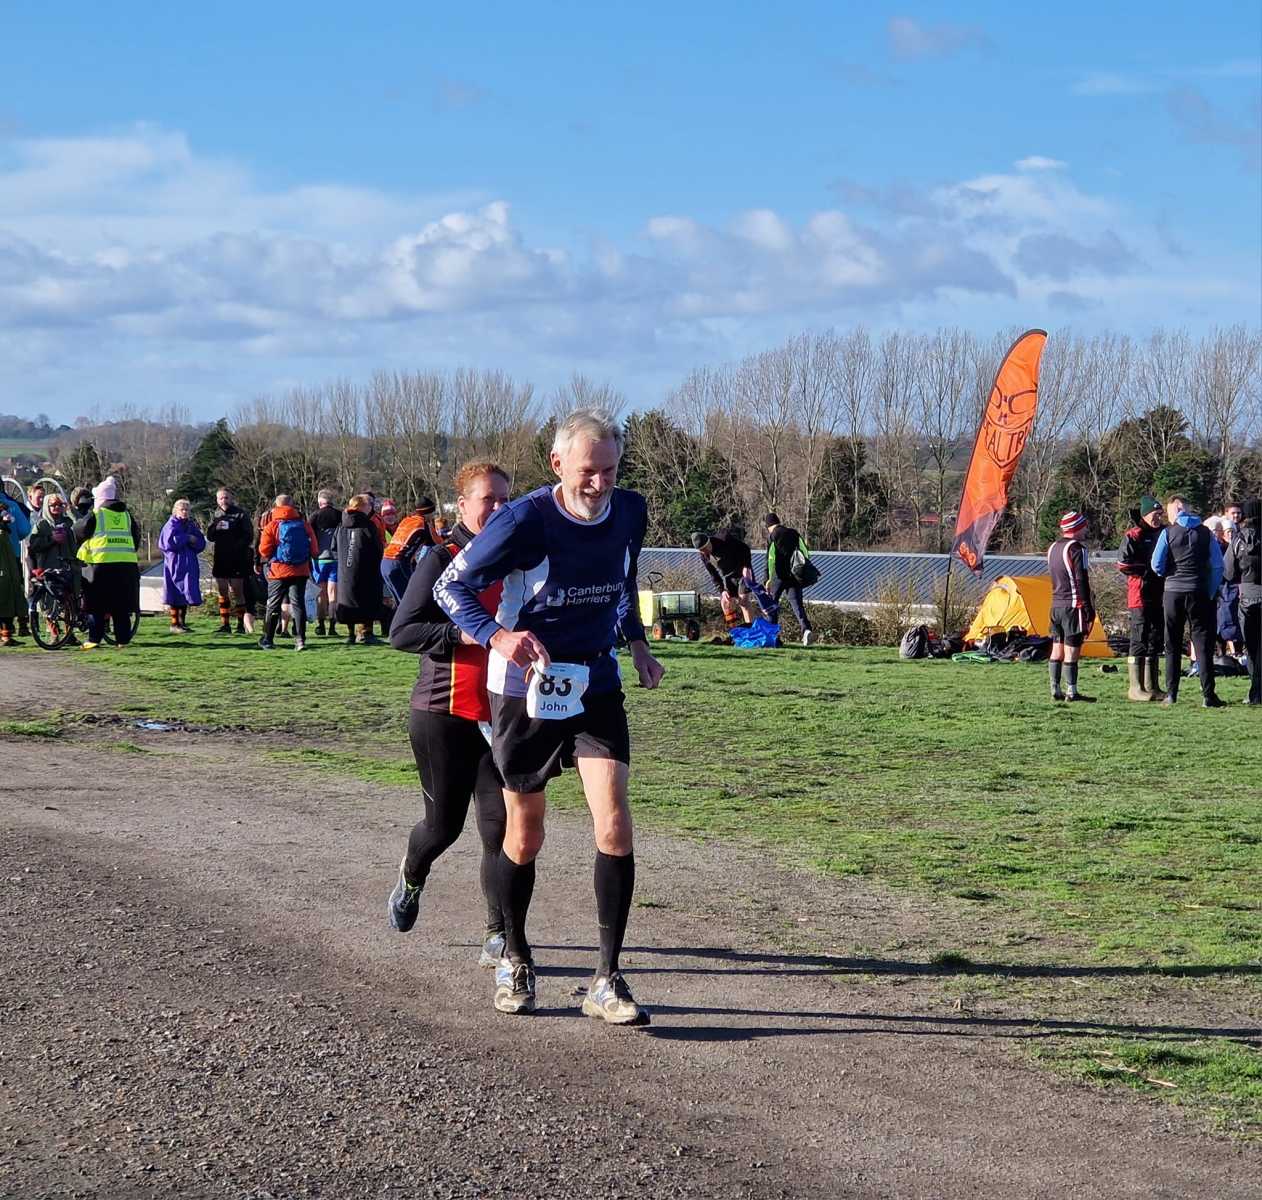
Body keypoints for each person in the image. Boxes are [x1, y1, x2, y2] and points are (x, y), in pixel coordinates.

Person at [437, 408, 664, 1025]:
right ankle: (514, 953)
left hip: (594, 678)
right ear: (558, 464)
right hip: (525, 684)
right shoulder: (523, 520)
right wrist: (498, 636)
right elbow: (449, 589)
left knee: (614, 822)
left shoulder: (631, 511)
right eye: (588, 471)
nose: (600, 484)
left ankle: (607, 980)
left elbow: (623, 581)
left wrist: (637, 643)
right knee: (525, 833)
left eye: (611, 470)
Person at [387, 462, 512, 964]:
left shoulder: (516, 559)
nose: (500, 508)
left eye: (507, 499)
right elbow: (403, 631)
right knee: (443, 828)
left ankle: (497, 933)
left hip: (500, 717)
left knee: (501, 829)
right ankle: (412, 875)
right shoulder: (443, 558)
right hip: (442, 711)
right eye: (489, 500)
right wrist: (459, 633)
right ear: (462, 505)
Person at [1151, 495, 1225, 707]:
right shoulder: (1206, 533)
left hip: (1173, 592)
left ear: (1177, 509)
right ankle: (1208, 695)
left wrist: (1169, 575)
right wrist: (1210, 590)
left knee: (1172, 643)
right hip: (1199, 591)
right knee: (1202, 644)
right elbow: (1218, 566)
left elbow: (1156, 565)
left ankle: (1172, 694)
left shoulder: (1168, 532)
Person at [74, 476, 141, 650]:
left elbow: (78, 531)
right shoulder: (127, 516)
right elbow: (136, 539)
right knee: (121, 607)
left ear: (101, 500)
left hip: (100, 567)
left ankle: (94, 639)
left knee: (95, 605)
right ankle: (123, 641)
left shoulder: (96, 515)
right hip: (127, 567)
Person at [1116, 495, 1166, 701]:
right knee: (1139, 637)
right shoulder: (1134, 535)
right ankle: (1135, 688)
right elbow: (1123, 564)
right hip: (1139, 595)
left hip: (1160, 594)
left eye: (1160, 514)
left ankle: (1152, 685)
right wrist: (1148, 571)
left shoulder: (1163, 533)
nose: (1158, 518)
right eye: (1155, 514)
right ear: (1145, 515)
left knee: (1156, 638)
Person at [1046, 510, 1096, 702]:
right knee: (1072, 649)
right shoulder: (1077, 549)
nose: (1086, 530)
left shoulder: (1052, 548)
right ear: (1076, 528)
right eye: (1083, 526)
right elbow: (1081, 578)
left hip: (1056, 604)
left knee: (1056, 648)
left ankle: (1054, 689)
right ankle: (1072, 692)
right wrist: (1089, 608)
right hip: (1073, 604)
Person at [257, 494, 318, 651]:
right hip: (301, 570)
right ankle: (300, 640)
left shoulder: (272, 525)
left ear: (276, 506)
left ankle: (268, 639)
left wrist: (273, 558)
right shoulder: (304, 524)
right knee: (298, 604)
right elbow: (315, 549)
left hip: (278, 571)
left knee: (273, 604)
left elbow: (263, 549)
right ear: (292, 506)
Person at [27, 492, 80, 643]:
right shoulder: (41, 525)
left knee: (69, 601)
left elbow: (80, 529)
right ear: (47, 507)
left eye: (59, 505)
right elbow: (33, 546)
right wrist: (51, 539)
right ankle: (54, 634)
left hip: (67, 567)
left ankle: (70, 634)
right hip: (48, 569)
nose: (56, 508)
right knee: (48, 603)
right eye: (53, 505)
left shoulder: (69, 523)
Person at [334, 494, 385, 644]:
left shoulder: (341, 525)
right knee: (367, 598)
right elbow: (377, 548)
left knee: (348, 598)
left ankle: (350, 633)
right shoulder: (368, 525)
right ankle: (365, 633)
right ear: (362, 507)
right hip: (366, 569)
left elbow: (334, 547)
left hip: (345, 570)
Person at [1224, 499, 1261, 706]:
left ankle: (1255, 691)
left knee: (1251, 646)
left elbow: (1228, 572)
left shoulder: (1238, 540)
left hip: (1247, 596)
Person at [206, 487, 255, 635]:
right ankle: (225, 624)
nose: (224, 500)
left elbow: (249, 536)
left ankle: (240, 625)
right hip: (220, 558)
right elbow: (210, 536)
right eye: (221, 498)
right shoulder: (216, 515)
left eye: (226, 497)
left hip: (237, 558)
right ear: (217, 500)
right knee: (222, 590)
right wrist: (215, 527)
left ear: (231, 498)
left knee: (237, 590)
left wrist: (235, 545)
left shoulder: (241, 514)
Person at [763, 512, 815, 646]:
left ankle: (772, 637)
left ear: (768, 526)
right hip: (794, 576)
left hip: (779, 576)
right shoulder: (794, 533)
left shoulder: (773, 535)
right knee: (797, 605)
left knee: (771, 605)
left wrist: (768, 579)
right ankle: (806, 630)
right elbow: (805, 552)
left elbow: (770, 558)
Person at [158, 499, 206, 633]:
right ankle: (175, 623)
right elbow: (168, 543)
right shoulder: (171, 525)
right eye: (182, 509)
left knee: (186, 591)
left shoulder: (191, 525)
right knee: (175, 591)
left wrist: (192, 540)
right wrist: (187, 538)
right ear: (176, 511)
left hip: (189, 563)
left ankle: (182, 622)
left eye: (187, 510)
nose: (185, 512)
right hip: (175, 563)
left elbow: (200, 542)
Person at [691, 527, 755, 627]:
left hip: (743, 572)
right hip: (728, 577)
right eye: (701, 550)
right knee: (725, 603)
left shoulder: (724, 539)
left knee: (743, 601)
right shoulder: (704, 556)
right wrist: (722, 591)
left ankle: (751, 630)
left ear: (709, 541)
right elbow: (714, 575)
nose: (705, 552)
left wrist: (747, 566)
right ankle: (733, 630)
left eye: (705, 548)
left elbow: (745, 548)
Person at [381, 495, 438, 605]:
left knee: (400, 604)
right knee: (411, 602)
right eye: (433, 513)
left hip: (385, 562)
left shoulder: (406, 521)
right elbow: (440, 545)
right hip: (398, 563)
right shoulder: (424, 525)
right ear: (429, 513)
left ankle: (395, 622)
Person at [0, 488, 31, 647]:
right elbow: (25, 530)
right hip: (11, 555)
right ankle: (8, 632)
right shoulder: (11, 505)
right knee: (10, 591)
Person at [308, 489, 342, 636]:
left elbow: (308, 536)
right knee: (333, 594)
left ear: (320, 502)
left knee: (321, 594)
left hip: (319, 559)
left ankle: (321, 626)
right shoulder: (340, 515)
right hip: (336, 558)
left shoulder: (315, 516)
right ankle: (332, 627)